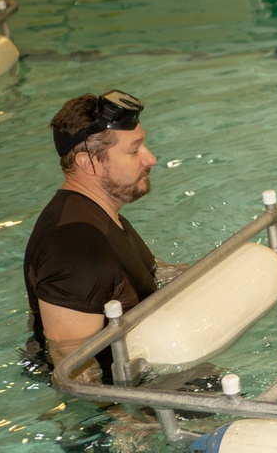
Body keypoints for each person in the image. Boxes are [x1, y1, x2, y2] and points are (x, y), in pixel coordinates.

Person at [22, 89, 183, 384]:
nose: (151, 159)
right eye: (134, 151)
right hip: (134, 402)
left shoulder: (100, 216)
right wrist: (129, 423)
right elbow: (74, 370)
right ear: (89, 163)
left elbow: (152, 275)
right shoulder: (74, 246)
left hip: (152, 371)